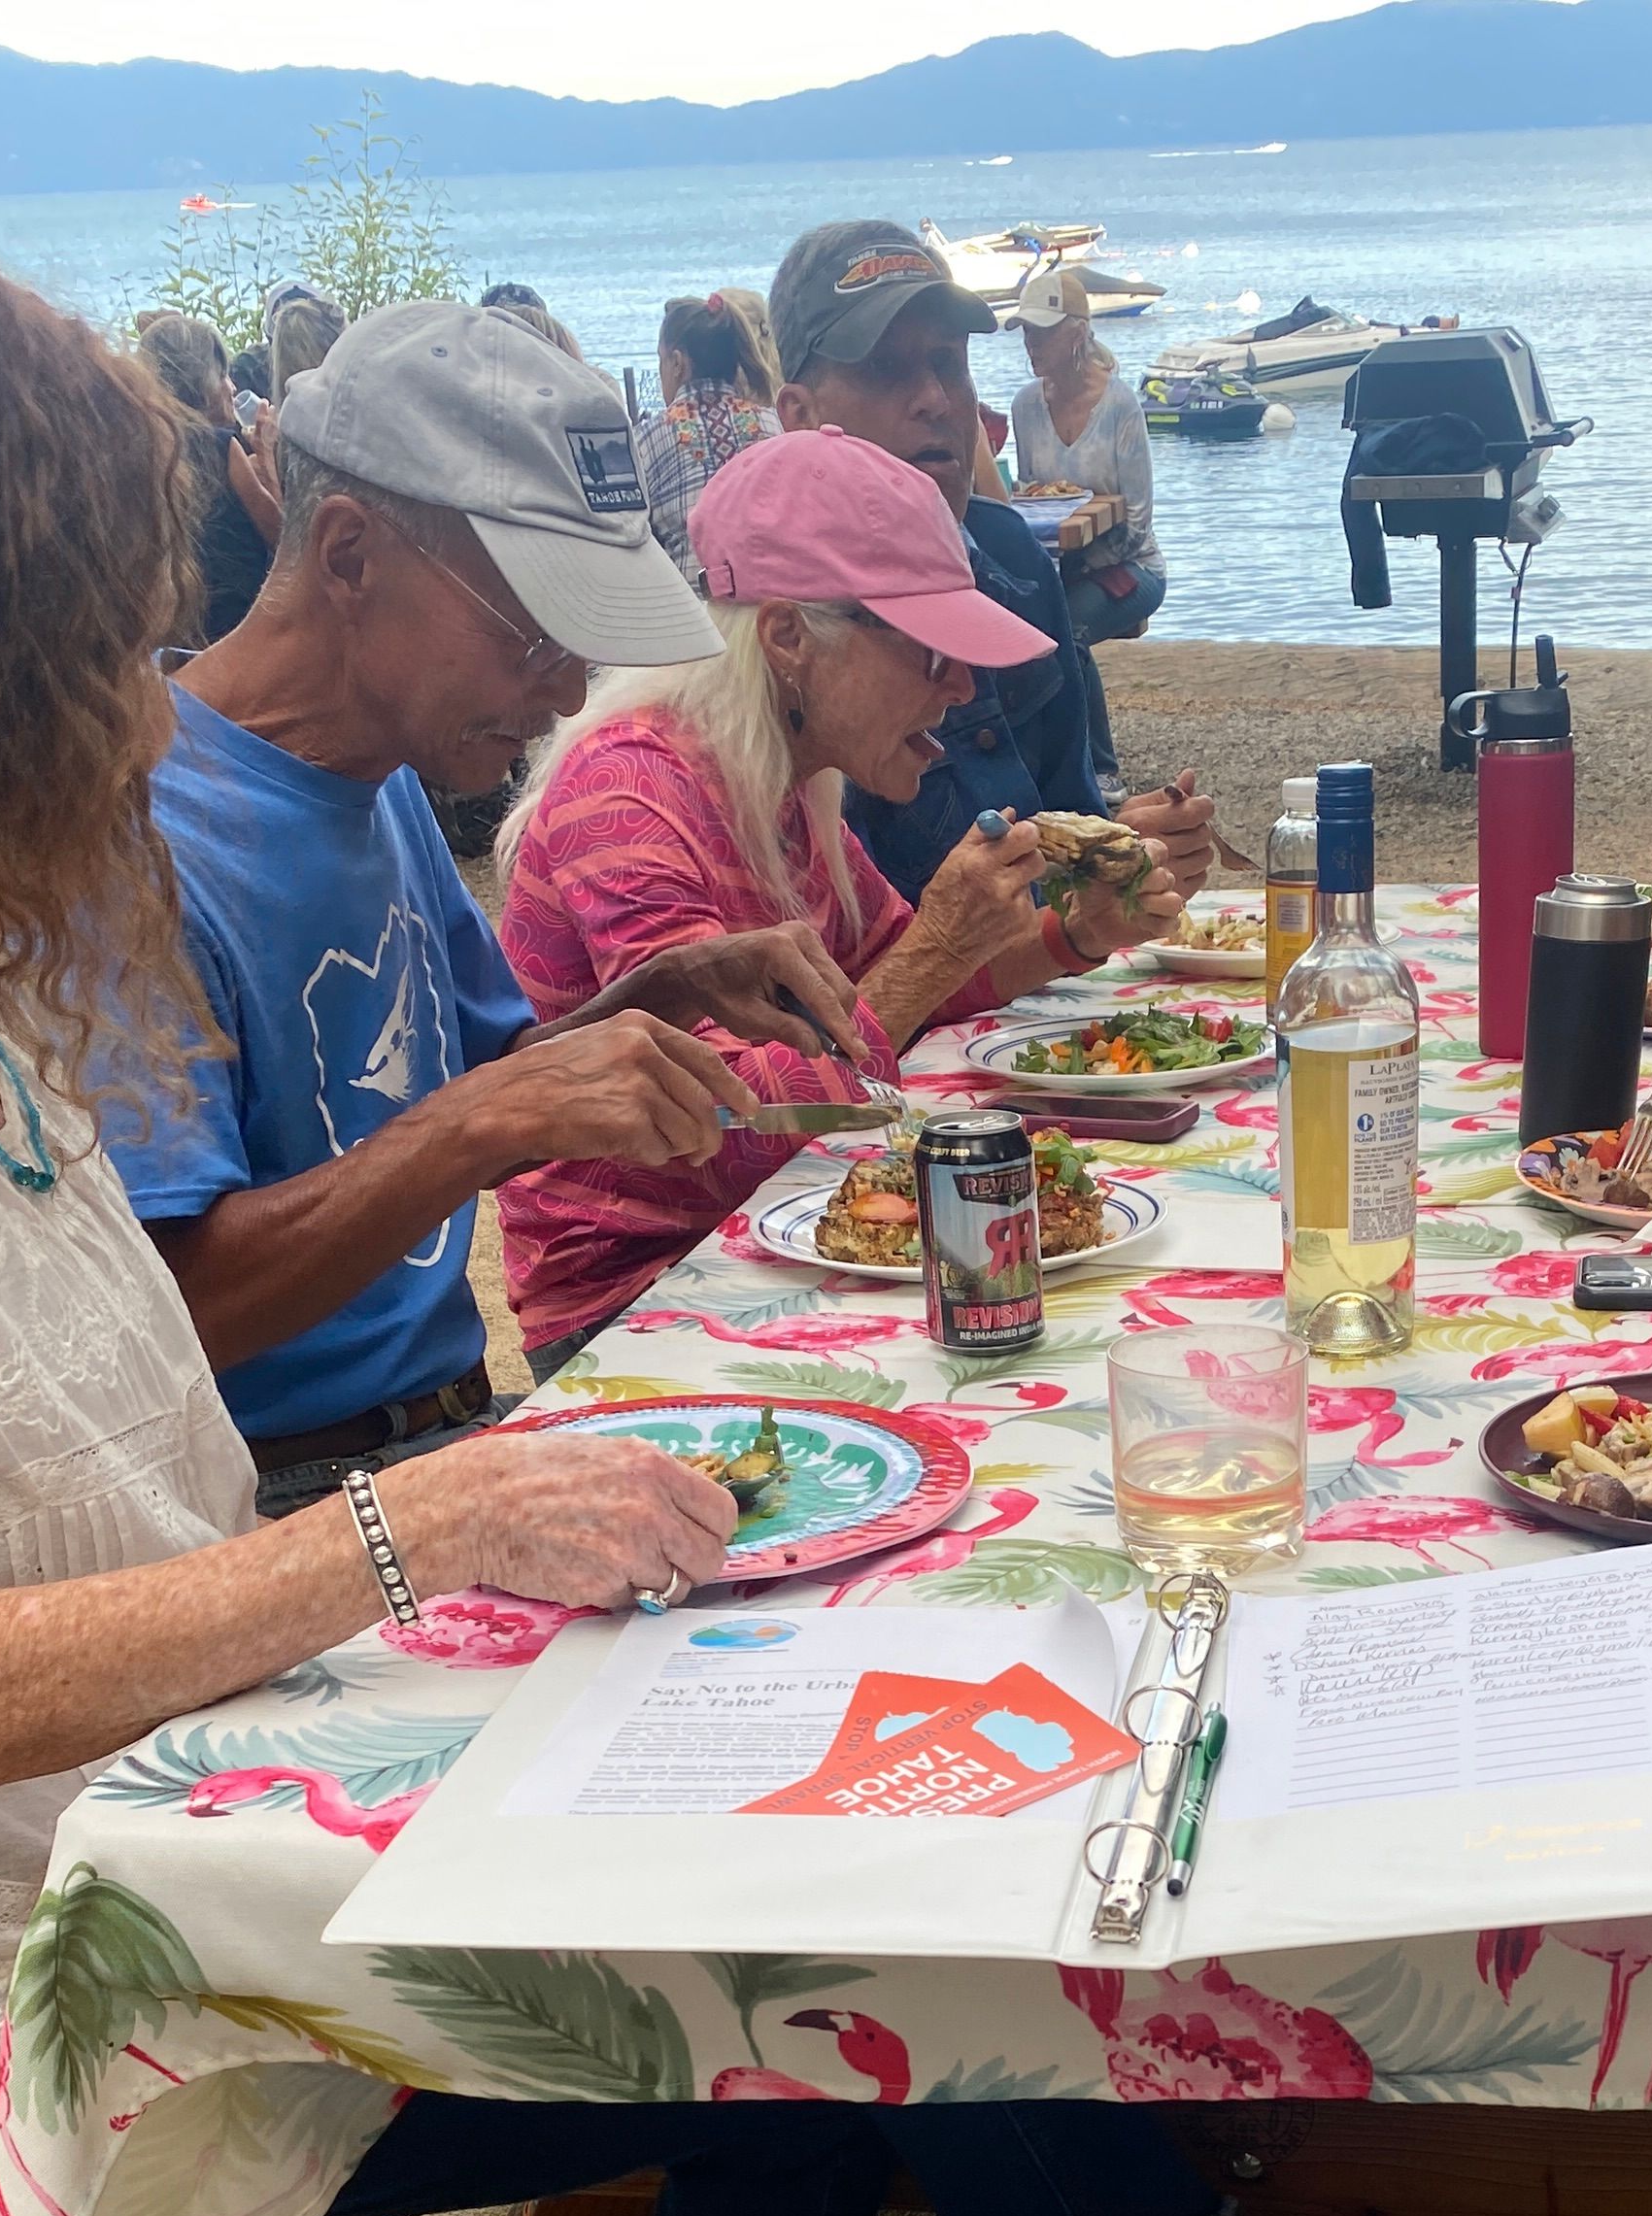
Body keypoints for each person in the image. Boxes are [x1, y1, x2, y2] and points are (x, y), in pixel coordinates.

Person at [0, 218, 1562, 2216]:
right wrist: (405, 1528)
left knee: (826, 1766)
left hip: (189, 1787)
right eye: (87, 651)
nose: (135, 704)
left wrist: (583, 1083)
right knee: (806, 1897)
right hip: (70, 1971)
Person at [101, 300, 871, 1519]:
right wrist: (477, 1120)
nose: (568, 686)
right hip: (284, 1499)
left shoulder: (382, 772)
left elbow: (498, 1081)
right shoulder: (137, 840)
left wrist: (651, 997)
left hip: (451, 1432)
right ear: (349, 555)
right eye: (535, 632)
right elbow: (166, 1308)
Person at [497, 429, 1168, 1364]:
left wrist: (1078, 931)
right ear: (787, 638)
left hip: (772, 1235)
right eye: (932, 652)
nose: (966, 685)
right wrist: (938, 943)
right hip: (637, 1293)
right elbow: (737, 1125)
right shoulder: (627, 799)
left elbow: (902, 994)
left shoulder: (786, 782)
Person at [768, 216, 1215, 909]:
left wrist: (1122, 850)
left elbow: (1068, 818)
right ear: (798, 414)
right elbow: (844, 954)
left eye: (948, 362)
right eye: (886, 369)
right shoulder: (780, 626)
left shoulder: (1017, 563)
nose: (937, 399)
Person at [1009, 259, 1163, 789]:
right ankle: (1042, 762)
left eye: (1041, 334)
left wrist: (1080, 553)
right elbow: (1031, 499)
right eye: (1026, 332)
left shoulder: (1119, 404)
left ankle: (1101, 768)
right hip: (1059, 567)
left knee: (1064, 631)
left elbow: (1138, 520)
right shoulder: (1025, 406)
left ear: (1076, 335)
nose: (1031, 345)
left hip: (1130, 567)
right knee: (1021, 628)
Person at [128, 304, 276, 646]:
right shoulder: (220, 447)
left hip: (171, 631)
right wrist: (267, 454)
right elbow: (283, 539)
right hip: (237, 626)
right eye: (223, 375)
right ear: (203, 383)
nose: (231, 386)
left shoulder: (138, 450)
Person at [637, 290, 778, 586]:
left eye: (660, 359)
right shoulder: (772, 425)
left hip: (689, 605)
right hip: (773, 597)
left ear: (677, 363)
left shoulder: (647, 438)